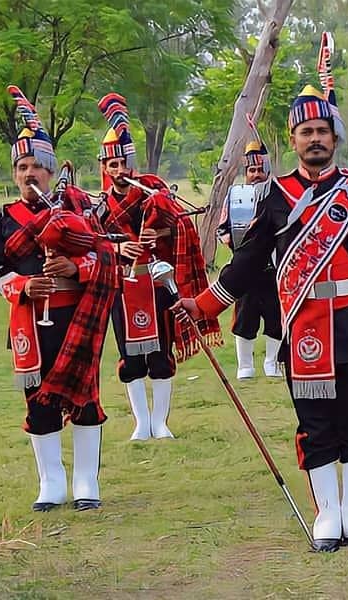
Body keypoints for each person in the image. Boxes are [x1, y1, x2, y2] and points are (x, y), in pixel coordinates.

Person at [176, 77, 348, 552]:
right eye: (306, 133)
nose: (314, 139)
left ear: (334, 138)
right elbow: (248, 262)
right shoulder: (275, 196)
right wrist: (204, 304)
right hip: (302, 328)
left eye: (322, 131)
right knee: (315, 424)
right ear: (293, 141)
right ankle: (328, 515)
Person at [0, 86, 116, 511]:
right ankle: (51, 483)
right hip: (29, 323)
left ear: (51, 170)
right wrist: (22, 286)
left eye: (37, 166)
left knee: (85, 399)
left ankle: (85, 483)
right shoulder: (2, 219)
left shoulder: (79, 209)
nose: (29, 174)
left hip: (78, 319)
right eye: (22, 166)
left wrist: (77, 269)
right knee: (38, 400)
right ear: (14, 173)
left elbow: (106, 253)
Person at [95, 92, 221, 441]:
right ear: (104, 168)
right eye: (112, 166)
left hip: (157, 281)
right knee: (130, 355)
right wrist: (122, 245)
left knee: (160, 353)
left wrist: (160, 227)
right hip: (124, 286)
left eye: (124, 164)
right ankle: (141, 422)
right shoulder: (99, 208)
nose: (120, 172)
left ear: (132, 165)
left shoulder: (154, 192)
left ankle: (161, 421)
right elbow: (95, 244)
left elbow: (180, 222)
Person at [217, 138, 283, 379]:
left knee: (276, 316)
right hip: (245, 269)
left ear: (267, 170)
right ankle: (245, 365)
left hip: (273, 269)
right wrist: (230, 241)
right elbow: (222, 228)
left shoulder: (279, 196)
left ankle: (271, 361)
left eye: (259, 170)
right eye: (251, 170)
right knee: (244, 317)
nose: (255, 175)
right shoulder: (234, 196)